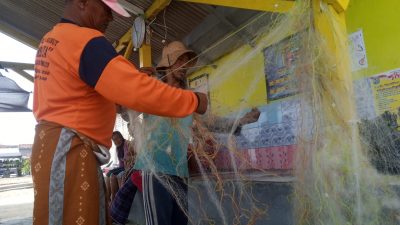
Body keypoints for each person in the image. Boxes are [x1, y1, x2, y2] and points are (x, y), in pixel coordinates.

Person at [30, 1, 208, 224]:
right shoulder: (85, 41)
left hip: (56, 148)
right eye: (106, 9)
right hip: (69, 152)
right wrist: (193, 100)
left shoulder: (53, 39)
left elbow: (100, 100)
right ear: (83, 2)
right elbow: (135, 92)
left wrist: (130, 80)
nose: (111, 18)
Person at [132, 41, 260, 225]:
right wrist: (136, 81)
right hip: (154, 171)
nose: (184, 67)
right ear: (167, 63)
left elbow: (212, 123)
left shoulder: (189, 99)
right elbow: (126, 106)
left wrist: (242, 120)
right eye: (179, 61)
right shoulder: (152, 89)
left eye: (187, 62)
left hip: (179, 173)